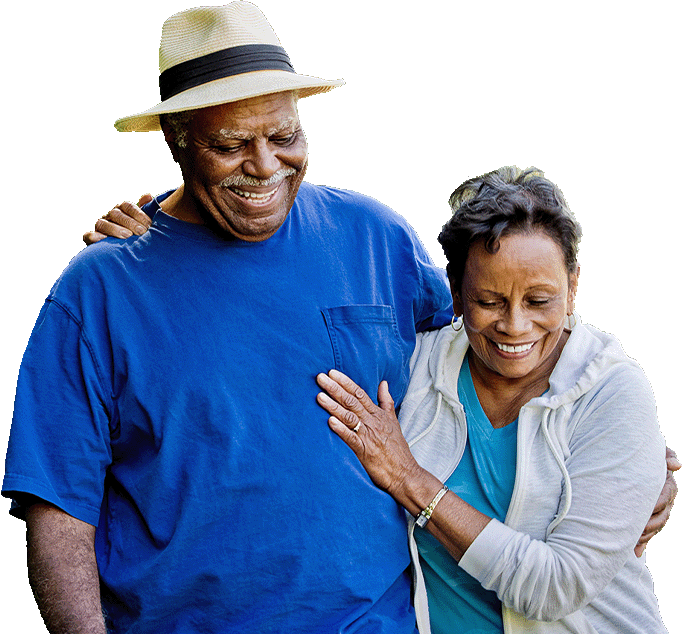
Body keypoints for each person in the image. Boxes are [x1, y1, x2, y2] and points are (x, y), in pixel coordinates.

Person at [2, 3, 454, 633]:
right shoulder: (101, 289)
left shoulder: (377, 237)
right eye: (231, 145)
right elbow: (58, 509)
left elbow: (497, 362)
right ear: (176, 140)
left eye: (284, 136)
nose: (265, 166)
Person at [315, 166, 671, 633]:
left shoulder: (611, 391)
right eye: (489, 301)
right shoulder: (418, 365)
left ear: (573, 288)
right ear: (456, 293)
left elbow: (557, 586)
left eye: (539, 301)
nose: (515, 326)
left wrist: (410, 481)